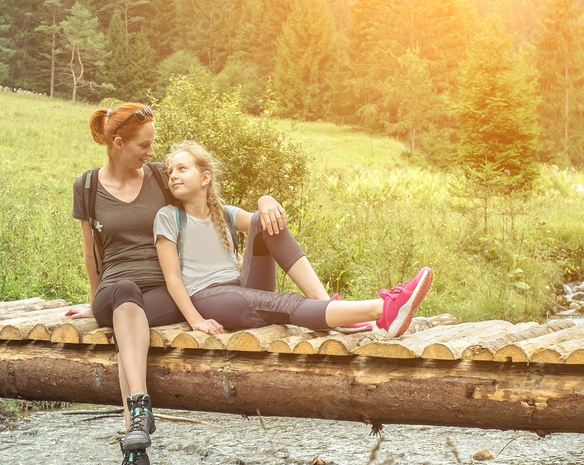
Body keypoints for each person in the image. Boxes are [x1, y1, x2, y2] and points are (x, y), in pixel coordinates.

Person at [65, 105, 287, 465]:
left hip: (165, 293)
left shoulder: (157, 178)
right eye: (144, 144)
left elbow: (207, 206)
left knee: (127, 327)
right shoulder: (86, 187)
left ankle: (134, 439)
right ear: (118, 144)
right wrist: (91, 300)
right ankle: (139, 415)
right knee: (123, 295)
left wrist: (265, 202)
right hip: (116, 289)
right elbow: (90, 254)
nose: (152, 153)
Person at [154, 141, 433, 338]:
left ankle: (323, 302)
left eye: (181, 169)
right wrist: (195, 320)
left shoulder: (224, 213)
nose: (173, 175)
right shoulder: (168, 217)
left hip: (242, 286)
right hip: (209, 298)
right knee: (284, 302)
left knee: (262, 220)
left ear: (205, 178)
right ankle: (384, 310)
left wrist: (265, 200)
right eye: (170, 172)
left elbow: (265, 224)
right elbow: (174, 279)